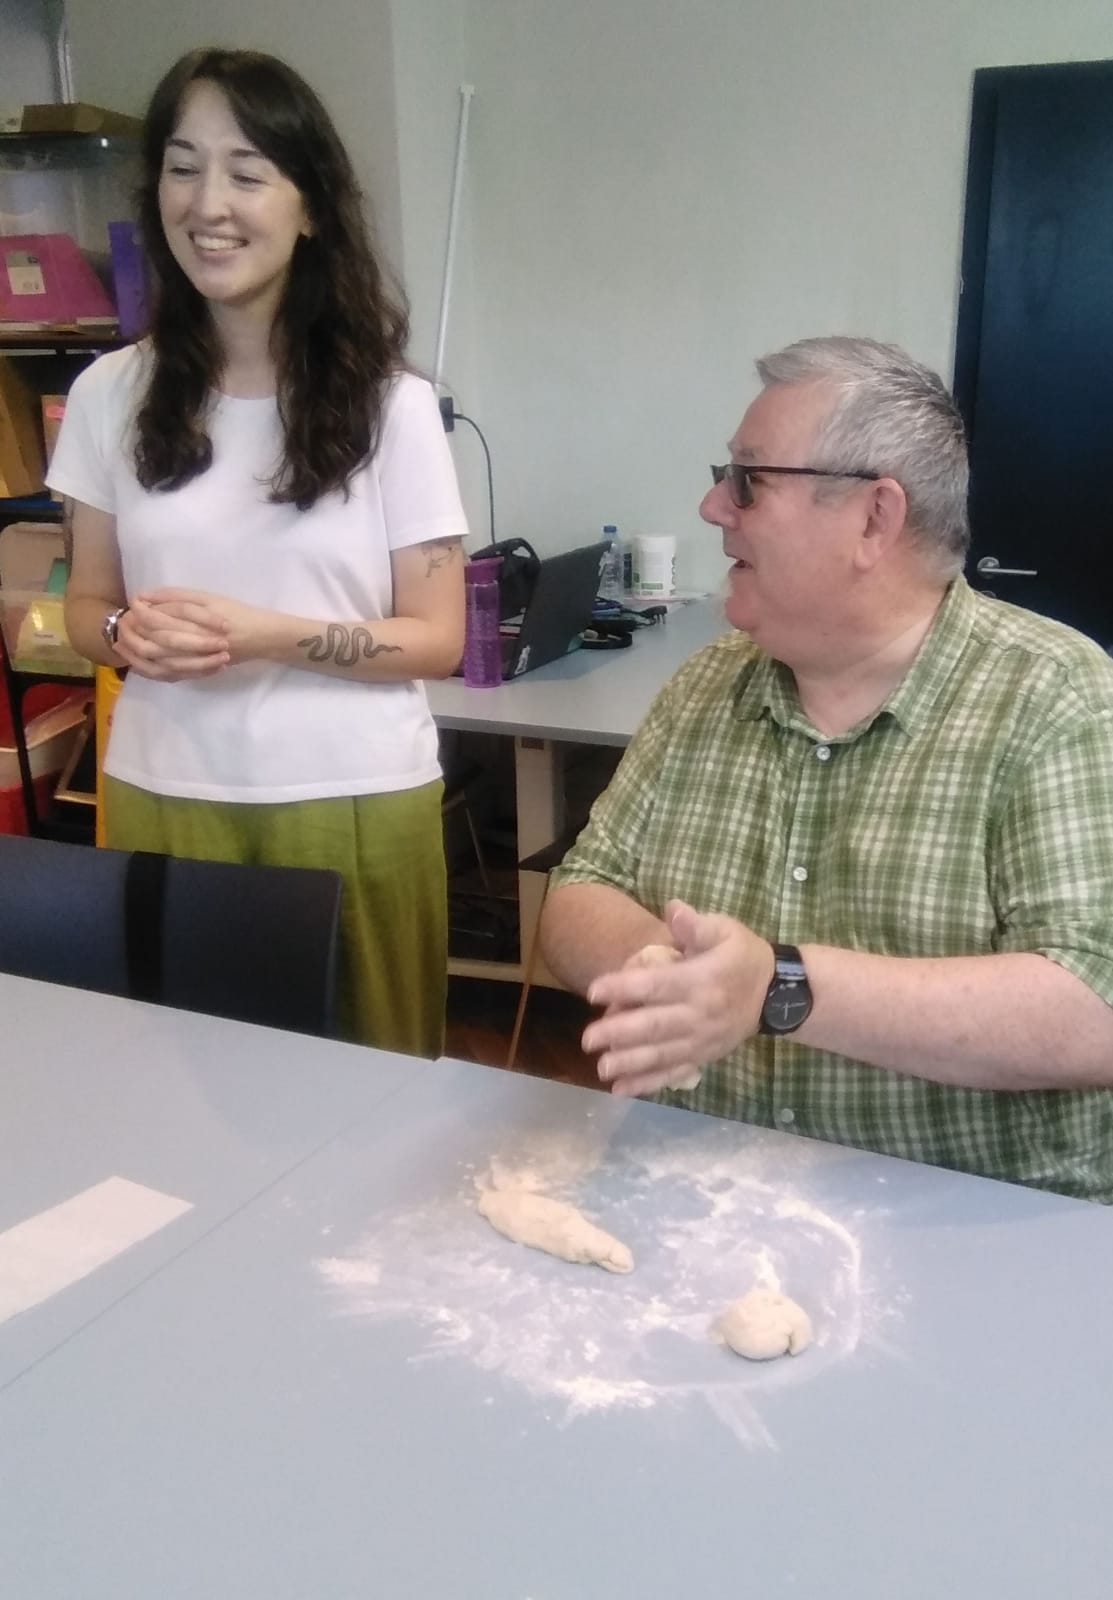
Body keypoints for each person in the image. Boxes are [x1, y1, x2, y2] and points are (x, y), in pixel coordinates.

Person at [541, 336, 1113, 1201]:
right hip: (704, 1198)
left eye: (747, 480)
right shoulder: (706, 683)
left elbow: (1093, 1010)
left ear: (874, 519)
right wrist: (679, 979)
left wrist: (777, 987)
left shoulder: (1058, 699)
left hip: (965, 1223)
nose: (711, 505)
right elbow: (579, 891)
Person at [52, 48, 467, 1055]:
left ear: (309, 205)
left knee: (371, 1085)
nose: (210, 205)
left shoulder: (393, 407)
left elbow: (439, 638)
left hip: (353, 795)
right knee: (181, 1081)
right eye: (182, 168)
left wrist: (265, 634)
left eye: (246, 172)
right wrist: (124, 632)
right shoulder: (109, 393)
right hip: (163, 790)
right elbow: (85, 607)